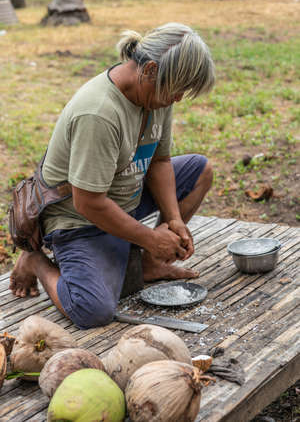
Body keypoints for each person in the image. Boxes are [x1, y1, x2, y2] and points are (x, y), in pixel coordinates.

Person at [10, 22, 215, 329]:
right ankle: (36, 262)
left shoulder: (156, 93)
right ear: (149, 71)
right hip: (77, 219)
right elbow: (88, 202)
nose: (178, 99)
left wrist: (173, 219)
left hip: (121, 196)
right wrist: (149, 237)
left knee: (201, 171)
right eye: (177, 89)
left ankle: (149, 264)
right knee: (91, 310)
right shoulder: (98, 113)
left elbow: (159, 161)